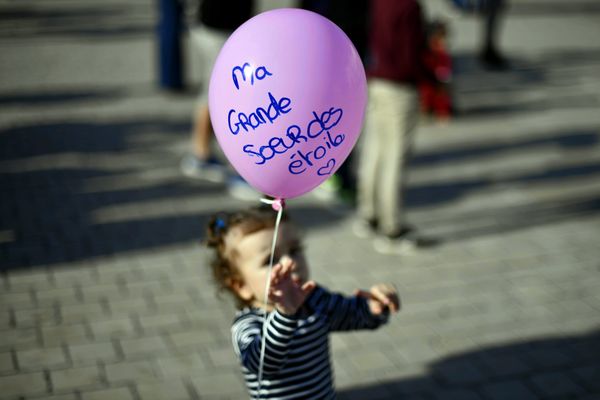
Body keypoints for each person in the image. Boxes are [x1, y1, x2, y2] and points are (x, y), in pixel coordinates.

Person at [205, 207, 400, 398]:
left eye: (295, 249)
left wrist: (375, 306)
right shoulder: (247, 324)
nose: (290, 262)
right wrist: (285, 316)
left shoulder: (315, 299)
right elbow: (263, 364)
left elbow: (351, 315)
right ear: (240, 286)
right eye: (271, 261)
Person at [356, 0, 433, 254]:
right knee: (395, 157)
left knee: (374, 150)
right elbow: (411, 54)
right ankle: (391, 228)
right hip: (400, 85)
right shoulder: (409, 6)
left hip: (376, 79)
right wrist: (431, 80)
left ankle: (368, 214)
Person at [180, 0, 258, 200]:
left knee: (214, 92)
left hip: (216, 24)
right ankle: (236, 169)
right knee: (230, 98)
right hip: (219, 26)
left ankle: (201, 154)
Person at [419, 19, 453, 122]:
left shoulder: (441, 52)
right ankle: (427, 108)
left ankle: (439, 109)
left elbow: (445, 67)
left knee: (440, 93)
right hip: (428, 80)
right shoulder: (428, 52)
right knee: (427, 91)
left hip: (437, 80)